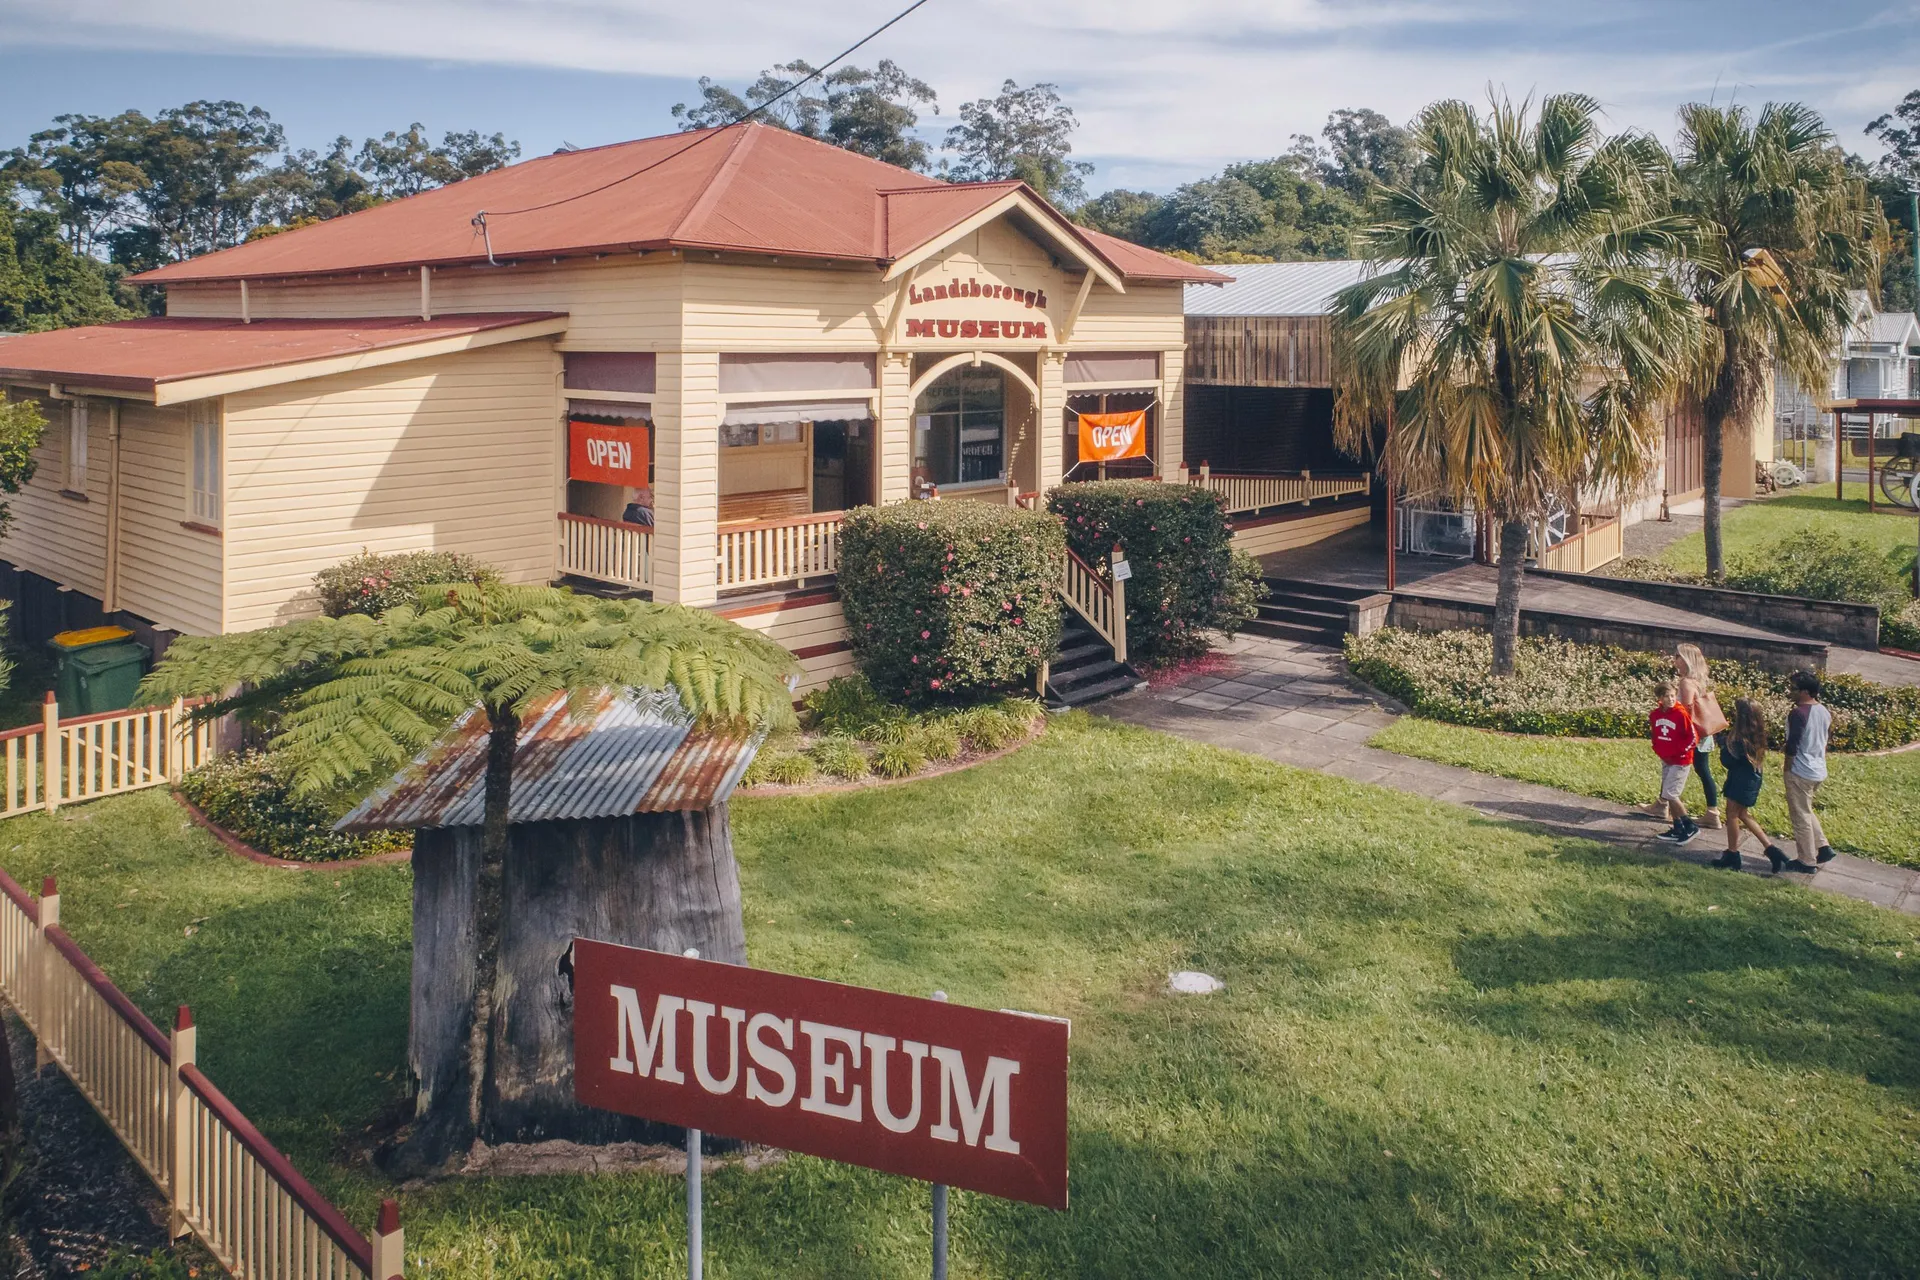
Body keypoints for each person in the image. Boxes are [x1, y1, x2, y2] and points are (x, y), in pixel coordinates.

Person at [1712, 698, 1788, 872]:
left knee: (1731, 815)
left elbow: (1728, 761)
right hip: (1752, 779)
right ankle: (1772, 850)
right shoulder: (1756, 733)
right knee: (1743, 815)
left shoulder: (1738, 738)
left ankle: (1732, 854)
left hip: (1740, 781)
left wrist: (1723, 744)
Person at [1781, 669, 1835, 873]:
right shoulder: (1824, 711)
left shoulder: (1798, 714)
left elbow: (1792, 744)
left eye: (1793, 689)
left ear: (1805, 692)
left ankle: (1806, 860)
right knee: (1806, 808)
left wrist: (1787, 767)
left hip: (1800, 770)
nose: (1790, 692)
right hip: (1818, 768)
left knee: (1800, 815)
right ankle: (1823, 846)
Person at [1673, 643, 1727, 830]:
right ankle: (1712, 812)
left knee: (1675, 770)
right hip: (1702, 736)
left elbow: (1685, 712)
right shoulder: (1698, 681)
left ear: (1686, 660)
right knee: (1702, 771)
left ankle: (1712, 813)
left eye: (1678, 656)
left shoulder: (1686, 683)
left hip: (1690, 737)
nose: (1675, 660)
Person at [1649, 681, 1698, 844]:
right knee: (1668, 794)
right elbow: (1655, 734)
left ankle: (1690, 826)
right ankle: (1678, 827)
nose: (1671, 699)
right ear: (1660, 698)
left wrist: (1681, 752)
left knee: (1670, 794)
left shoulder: (1680, 714)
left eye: (1672, 695)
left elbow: (1693, 737)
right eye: (1666, 696)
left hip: (1681, 760)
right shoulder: (1655, 715)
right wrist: (1657, 749)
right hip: (1666, 759)